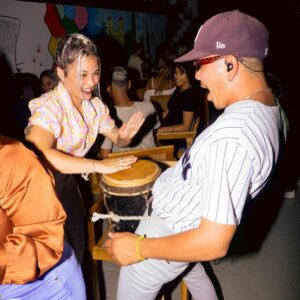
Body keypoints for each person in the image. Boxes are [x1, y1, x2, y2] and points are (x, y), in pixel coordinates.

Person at [105, 10, 287, 299]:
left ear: (230, 65)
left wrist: (137, 248)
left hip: (168, 234)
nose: (197, 74)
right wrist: (160, 164)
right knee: (193, 270)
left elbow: (212, 242)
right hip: (184, 224)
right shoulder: (269, 106)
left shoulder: (233, 137)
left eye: (202, 63)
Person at [25, 33, 144, 264]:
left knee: (77, 248)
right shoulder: (49, 106)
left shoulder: (94, 107)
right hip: (36, 189)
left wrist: (125, 137)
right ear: (61, 72)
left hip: (66, 182)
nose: (91, 82)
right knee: (51, 258)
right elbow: (40, 153)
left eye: (96, 73)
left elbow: (117, 138)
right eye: (83, 75)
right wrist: (98, 165)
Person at [0, 135, 86, 299]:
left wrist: (98, 164)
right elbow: (41, 146)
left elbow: (45, 242)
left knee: (75, 239)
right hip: (48, 178)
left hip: (38, 280)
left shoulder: (9, 157)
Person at [100, 66, 160, 158]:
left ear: (108, 88)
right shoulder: (149, 106)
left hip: (127, 169)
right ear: (129, 84)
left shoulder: (106, 115)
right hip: (153, 164)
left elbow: (105, 156)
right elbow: (155, 135)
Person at [156, 61, 203, 158]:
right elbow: (167, 112)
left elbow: (185, 127)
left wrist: (162, 129)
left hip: (176, 137)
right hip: (167, 130)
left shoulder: (190, 95)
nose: (177, 76)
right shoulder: (179, 89)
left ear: (189, 74)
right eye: (176, 72)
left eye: (181, 73)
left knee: (145, 142)